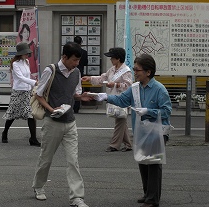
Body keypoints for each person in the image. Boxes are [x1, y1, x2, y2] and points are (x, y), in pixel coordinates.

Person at [93, 54, 172, 207]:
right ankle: (147, 192)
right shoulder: (135, 88)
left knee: (154, 163)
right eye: (135, 69)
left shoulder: (159, 89)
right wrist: (104, 97)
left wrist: (148, 111)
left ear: (148, 72)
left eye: (138, 70)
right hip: (141, 130)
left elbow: (167, 111)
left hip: (157, 131)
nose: (135, 72)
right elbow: (122, 100)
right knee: (142, 161)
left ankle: (152, 199)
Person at [32, 42, 92, 207]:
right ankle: (38, 186)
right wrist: (52, 109)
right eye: (74, 60)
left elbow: (74, 93)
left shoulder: (76, 72)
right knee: (46, 158)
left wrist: (82, 97)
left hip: (70, 122)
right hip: (53, 122)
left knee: (73, 161)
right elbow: (38, 94)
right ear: (64, 57)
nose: (76, 64)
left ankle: (77, 197)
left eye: (78, 60)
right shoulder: (50, 71)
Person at [82, 47, 133, 152]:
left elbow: (128, 86)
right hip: (114, 98)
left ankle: (114, 145)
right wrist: (90, 78)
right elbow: (103, 78)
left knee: (120, 121)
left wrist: (115, 84)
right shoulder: (112, 69)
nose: (110, 60)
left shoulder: (126, 71)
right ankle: (128, 145)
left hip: (122, 99)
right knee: (121, 120)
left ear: (118, 59)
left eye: (112, 58)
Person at [2, 42, 40, 147]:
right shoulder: (15, 64)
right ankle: (5, 132)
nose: (27, 55)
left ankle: (33, 139)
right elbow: (20, 78)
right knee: (12, 114)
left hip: (27, 91)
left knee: (30, 114)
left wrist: (34, 79)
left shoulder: (26, 61)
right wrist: (34, 82)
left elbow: (27, 75)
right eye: (25, 53)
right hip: (18, 91)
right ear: (20, 53)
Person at [73, 36, 88, 113]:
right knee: (79, 88)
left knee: (71, 87)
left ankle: (70, 106)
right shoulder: (84, 52)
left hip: (70, 71)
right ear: (81, 43)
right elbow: (86, 63)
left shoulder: (71, 52)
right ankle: (76, 107)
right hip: (80, 72)